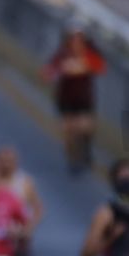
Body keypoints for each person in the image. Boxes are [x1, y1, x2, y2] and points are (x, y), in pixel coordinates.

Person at [43, 26, 106, 173]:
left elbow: (99, 67)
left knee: (84, 126)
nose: (75, 44)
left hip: (83, 99)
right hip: (66, 99)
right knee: (69, 131)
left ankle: (85, 149)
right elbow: (49, 72)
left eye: (79, 40)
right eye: (73, 40)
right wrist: (55, 72)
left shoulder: (89, 55)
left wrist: (80, 67)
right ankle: (73, 159)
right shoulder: (63, 55)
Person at [0, 147, 42, 256]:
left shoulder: (24, 183)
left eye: (9, 161)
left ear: (16, 162)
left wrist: (28, 228)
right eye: (3, 161)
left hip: (20, 243)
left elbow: (38, 208)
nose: (6, 164)